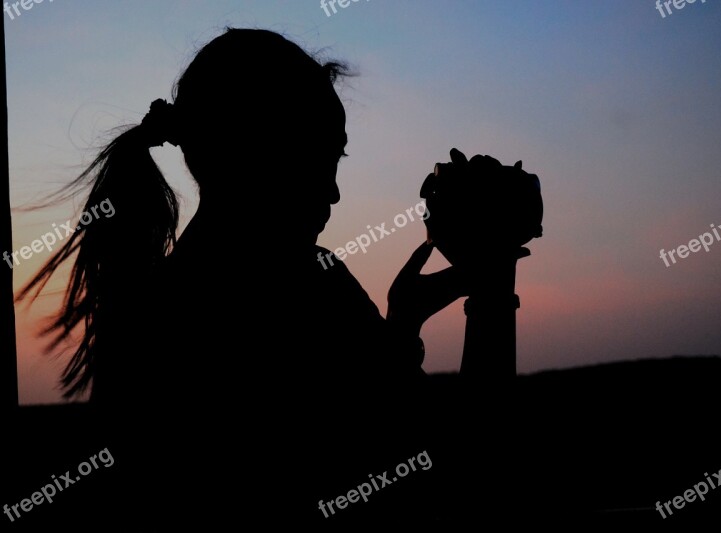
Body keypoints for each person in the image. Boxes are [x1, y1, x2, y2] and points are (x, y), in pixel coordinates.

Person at [18, 28, 472, 528]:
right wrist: (489, 291)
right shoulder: (311, 289)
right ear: (260, 153)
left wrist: (402, 327)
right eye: (320, 156)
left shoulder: (144, 311)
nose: (334, 191)